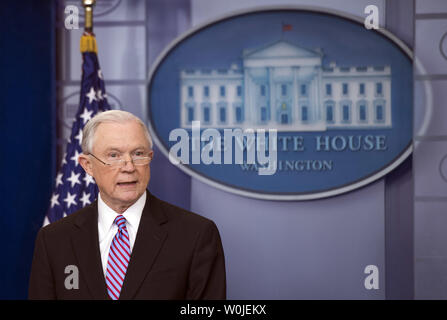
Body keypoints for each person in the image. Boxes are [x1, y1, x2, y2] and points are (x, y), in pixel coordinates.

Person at [28, 110, 226, 300]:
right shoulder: (54, 240)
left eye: (138, 153)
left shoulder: (196, 234)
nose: (129, 167)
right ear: (87, 165)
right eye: (114, 155)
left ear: (150, 158)